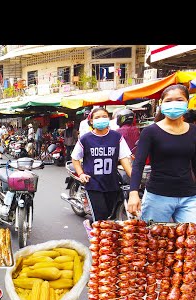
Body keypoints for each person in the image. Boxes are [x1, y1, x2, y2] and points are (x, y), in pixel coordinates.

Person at [127, 84, 196, 223]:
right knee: (154, 240)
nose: (174, 104)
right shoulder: (150, 132)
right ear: (161, 104)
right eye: (168, 100)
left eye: (179, 100)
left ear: (187, 103)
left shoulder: (194, 130)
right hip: (157, 197)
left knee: (190, 241)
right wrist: (133, 192)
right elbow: (138, 164)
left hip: (188, 196)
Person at [71, 107, 132, 222]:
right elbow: (75, 158)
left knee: (108, 213)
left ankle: (94, 228)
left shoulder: (116, 137)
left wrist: (134, 178)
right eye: (97, 117)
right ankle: (95, 235)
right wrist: (81, 174)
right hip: (93, 183)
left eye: (104, 116)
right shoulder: (85, 139)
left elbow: (124, 158)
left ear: (109, 119)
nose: (101, 119)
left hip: (112, 182)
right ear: (92, 121)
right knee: (100, 216)